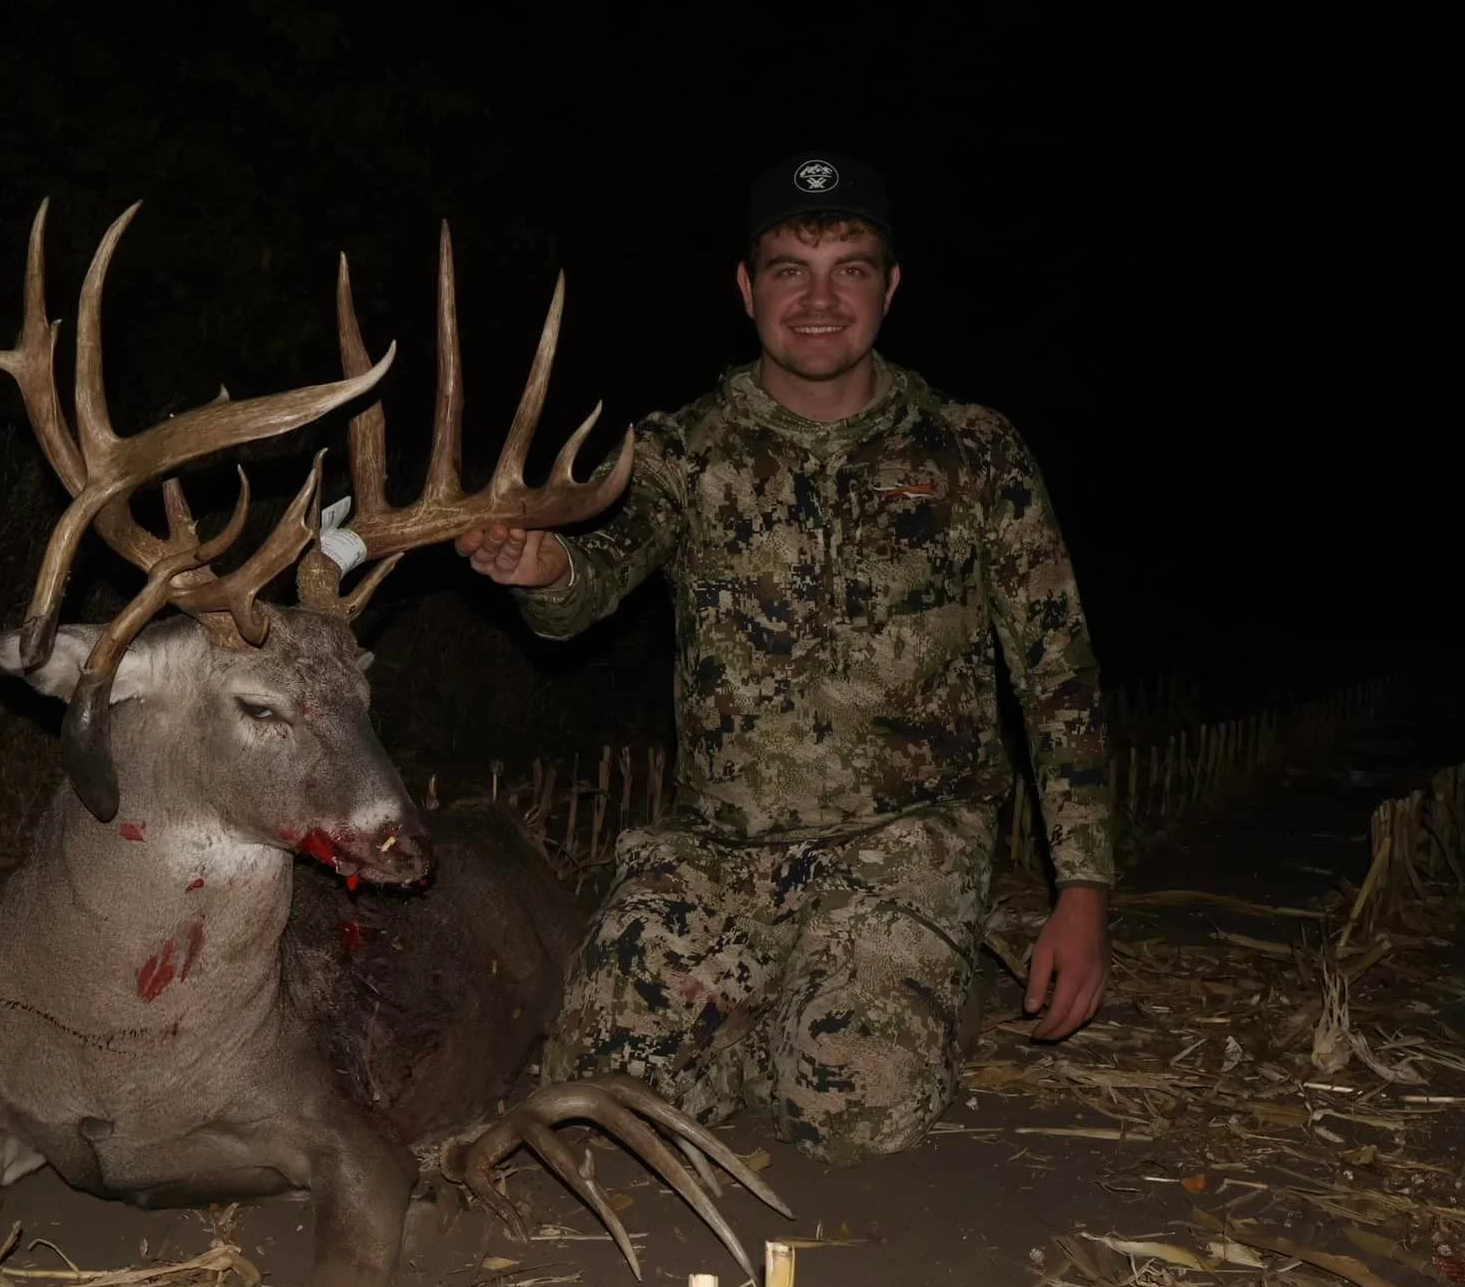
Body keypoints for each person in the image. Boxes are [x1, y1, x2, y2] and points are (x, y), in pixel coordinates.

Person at [454, 151, 1112, 1165]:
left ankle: (908, 983)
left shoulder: (972, 451)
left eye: (847, 266)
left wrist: (1082, 889)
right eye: (787, 267)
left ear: (888, 289)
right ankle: (801, 997)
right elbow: (593, 580)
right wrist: (542, 571)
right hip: (721, 850)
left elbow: (1055, 672)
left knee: (849, 1116)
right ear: (744, 289)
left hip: (904, 846)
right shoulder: (679, 448)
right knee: (594, 1091)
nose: (816, 298)